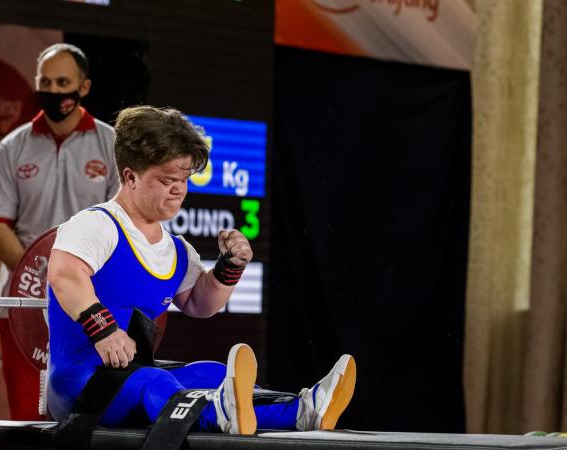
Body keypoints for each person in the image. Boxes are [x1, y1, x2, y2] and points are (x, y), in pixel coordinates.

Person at [46, 105, 356, 433]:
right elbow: (64, 274)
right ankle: (218, 414)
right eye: (167, 180)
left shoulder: (178, 250)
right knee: (156, 380)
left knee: (214, 373)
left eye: (183, 179)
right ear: (130, 177)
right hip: (78, 384)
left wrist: (229, 267)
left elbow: (200, 304)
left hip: (126, 375)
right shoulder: (96, 224)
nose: (179, 189)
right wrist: (105, 330)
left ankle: (304, 409)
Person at [0, 43, 119, 420]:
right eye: (46, 81)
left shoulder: (112, 144)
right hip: (26, 304)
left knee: (87, 420)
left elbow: (122, 224)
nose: (55, 90)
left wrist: (71, 279)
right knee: (28, 418)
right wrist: (39, 273)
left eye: (64, 82)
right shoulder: (13, 146)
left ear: (85, 87)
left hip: (94, 299)